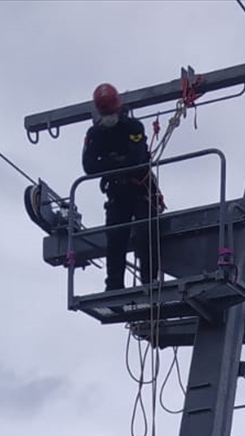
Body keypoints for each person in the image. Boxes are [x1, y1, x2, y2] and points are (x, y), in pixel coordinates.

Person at [82, 82, 164, 292]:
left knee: (146, 233)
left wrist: (110, 163)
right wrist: (121, 162)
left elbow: (137, 160)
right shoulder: (95, 134)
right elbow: (89, 166)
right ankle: (114, 285)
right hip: (117, 193)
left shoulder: (133, 128)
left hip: (140, 191)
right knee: (116, 239)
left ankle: (149, 281)